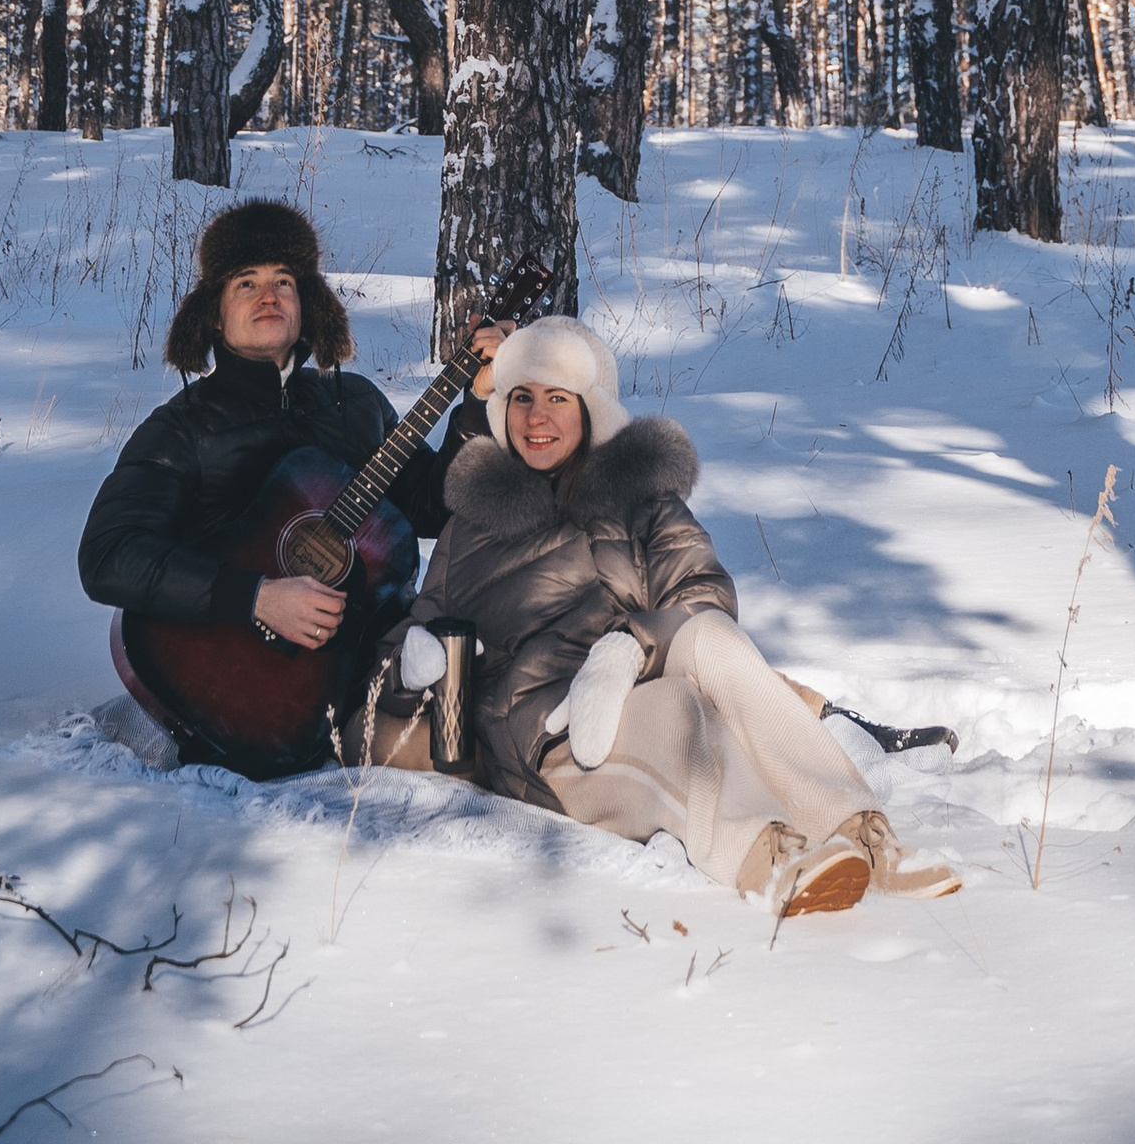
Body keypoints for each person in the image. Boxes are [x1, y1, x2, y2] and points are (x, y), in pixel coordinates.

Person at [398, 317, 958, 918]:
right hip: (555, 744)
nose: (536, 418)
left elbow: (704, 594)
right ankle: (768, 860)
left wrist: (626, 650)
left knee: (711, 638)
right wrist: (416, 657)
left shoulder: (646, 503)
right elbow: (404, 648)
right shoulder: (471, 525)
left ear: (592, 408)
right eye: (521, 398)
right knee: (676, 711)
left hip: (637, 680)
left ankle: (866, 835)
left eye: (557, 398)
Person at [77, 199, 507, 774]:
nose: (269, 295)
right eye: (245, 283)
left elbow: (435, 506)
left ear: (310, 304)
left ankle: (476, 782)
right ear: (213, 313)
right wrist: (256, 596)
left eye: (284, 280)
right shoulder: (183, 427)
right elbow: (109, 556)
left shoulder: (354, 403)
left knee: (470, 709)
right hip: (225, 669)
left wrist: (476, 401)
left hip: (354, 663)